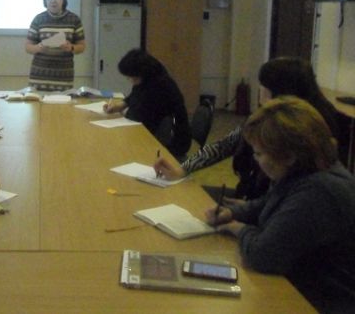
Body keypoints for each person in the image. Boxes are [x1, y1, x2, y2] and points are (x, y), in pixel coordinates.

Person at [205, 96, 355, 313]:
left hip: (320, 301)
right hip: (303, 285)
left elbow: (263, 255)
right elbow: (269, 203)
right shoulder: (308, 170)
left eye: (259, 153)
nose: (256, 160)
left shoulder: (318, 192)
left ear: (289, 156)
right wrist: (232, 213)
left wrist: (237, 228)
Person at [153, 56, 347, 200]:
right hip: (252, 201)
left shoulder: (299, 130)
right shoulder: (267, 117)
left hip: (263, 208)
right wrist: (183, 168)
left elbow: (281, 198)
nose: (260, 91)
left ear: (280, 90)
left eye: (264, 86)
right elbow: (225, 145)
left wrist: (242, 213)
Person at [103, 49, 191, 158]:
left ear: (140, 73)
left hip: (171, 143)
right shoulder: (149, 77)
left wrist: (124, 114)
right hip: (156, 134)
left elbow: (137, 117)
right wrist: (119, 106)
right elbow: (135, 95)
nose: (130, 80)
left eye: (131, 77)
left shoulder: (158, 87)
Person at [25, 0, 86, 91]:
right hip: (39, 77)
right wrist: (38, 47)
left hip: (63, 77)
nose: (53, 1)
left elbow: (82, 46)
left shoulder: (74, 19)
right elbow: (28, 47)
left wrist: (71, 47)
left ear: (63, 0)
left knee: (63, 102)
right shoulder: (38, 19)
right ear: (45, 1)